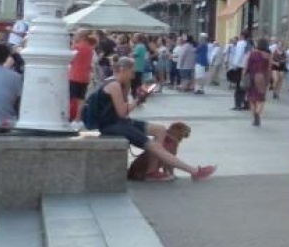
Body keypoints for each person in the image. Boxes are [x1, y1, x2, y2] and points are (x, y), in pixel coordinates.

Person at [85, 56, 215, 181]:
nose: (133, 75)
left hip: (119, 122)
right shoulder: (114, 85)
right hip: (112, 125)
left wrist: (136, 94)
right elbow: (122, 112)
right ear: (123, 69)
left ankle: (151, 170)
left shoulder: (119, 83)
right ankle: (194, 171)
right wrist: (138, 99)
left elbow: (123, 110)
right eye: (131, 71)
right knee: (154, 146)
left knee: (160, 130)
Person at [68, 31, 98, 122]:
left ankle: (70, 117)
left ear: (80, 37)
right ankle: (78, 118)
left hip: (74, 75)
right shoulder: (90, 49)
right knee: (81, 99)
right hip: (85, 77)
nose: (74, 37)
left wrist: (73, 44)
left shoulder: (76, 48)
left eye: (76, 35)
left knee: (72, 98)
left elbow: (70, 61)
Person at [244, 39, 272, 126]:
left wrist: (243, 76)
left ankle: (254, 117)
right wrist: (269, 79)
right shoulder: (268, 55)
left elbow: (245, 66)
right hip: (261, 77)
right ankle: (257, 113)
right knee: (261, 99)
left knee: (252, 98)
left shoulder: (250, 53)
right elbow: (269, 68)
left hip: (251, 76)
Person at [228, 30, 251, 110]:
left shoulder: (241, 44)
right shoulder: (250, 44)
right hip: (248, 67)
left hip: (240, 67)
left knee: (238, 86)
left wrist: (234, 65)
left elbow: (238, 55)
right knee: (245, 86)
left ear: (242, 36)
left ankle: (238, 104)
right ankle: (246, 103)